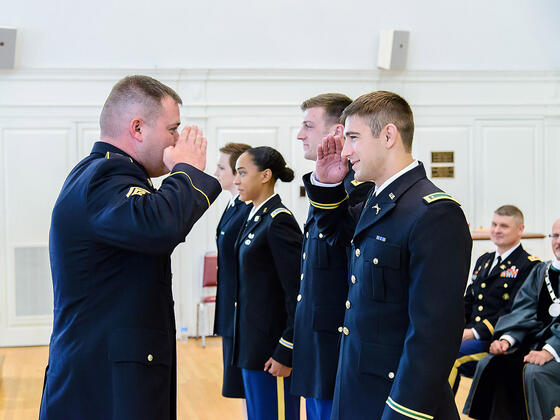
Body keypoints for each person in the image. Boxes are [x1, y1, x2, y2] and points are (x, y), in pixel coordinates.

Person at [39, 75, 221, 420]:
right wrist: (187, 171)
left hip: (108, 371)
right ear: (138, 128)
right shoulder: (105, 177)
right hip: (105, 382)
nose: (177, 140)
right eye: (172, 129)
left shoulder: (103, 173)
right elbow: (159, 225)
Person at [307, 90, 472, 419]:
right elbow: (339, 236)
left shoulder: (434, 212)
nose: (346, 149)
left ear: (388, 135)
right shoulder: (377, 198)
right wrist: (326, 185)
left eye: (353, 137)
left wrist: (404, 410)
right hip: (358, 386)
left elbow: (434, 332)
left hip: (398, 398)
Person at [292, 93, 372, 420]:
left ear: (336, 132)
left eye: (308, 126)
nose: (300, 134)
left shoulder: (358, 191)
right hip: (317, 346)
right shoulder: (327, 187)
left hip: (338, 347)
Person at [232, 146, 303, 420]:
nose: (236, 180)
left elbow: (296, 291)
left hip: (272, 351)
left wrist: (287, 347)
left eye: (242, 173)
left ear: (265, 176)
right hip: (252, 346)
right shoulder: (255, 216)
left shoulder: (278, 221)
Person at [464, 219, 560, 420]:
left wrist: (549, 350)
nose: (558, 241)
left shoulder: (530, 265)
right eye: (556, 236)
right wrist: (508, 339)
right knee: (489, 363)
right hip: (533, 345)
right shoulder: (541, 271)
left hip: (556, 350)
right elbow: (523, 311)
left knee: (534, 374)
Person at [448, 205, 541, 394]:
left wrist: (473, 332)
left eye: (504, 226)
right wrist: (453, 327)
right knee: (435, 346)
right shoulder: (484, 261)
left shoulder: (528, 265)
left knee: (451, 356)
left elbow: (513, 311)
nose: (497, 230)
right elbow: (468, 301)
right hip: (471, 334)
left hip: (497, 338)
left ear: (520, 229)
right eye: (494, 224)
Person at [213, 142, 251, 401]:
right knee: (239, 389)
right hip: (230, 307)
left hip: (244, 312)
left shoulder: (249, 209)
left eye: (221, 167)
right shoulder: (232, 205)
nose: (216, 172)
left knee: (250, 390)